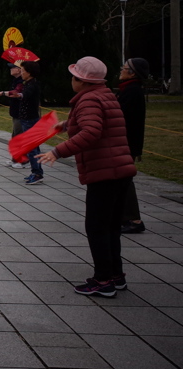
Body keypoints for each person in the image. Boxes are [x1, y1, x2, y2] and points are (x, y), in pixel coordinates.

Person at [38, 57, 136, 297]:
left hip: (105, 172)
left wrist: (57, 151)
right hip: (120, 169)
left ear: (80, 81)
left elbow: (91, 131)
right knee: (111, 226)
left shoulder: (89, 99)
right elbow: (97, 123)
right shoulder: (105, 95)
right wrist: (66, 125)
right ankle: (116, 275)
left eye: (73, 77)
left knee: (97, 227)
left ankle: (103, 281)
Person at [118, 58, 149, 234]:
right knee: (121, 180)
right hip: (127, 143)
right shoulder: (128, 89)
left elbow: (124, 117)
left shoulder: (132, 91)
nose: (121, 70)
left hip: (127, 143)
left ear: (132, 73)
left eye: (124, 68)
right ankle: (124, 217)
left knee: (124, 180)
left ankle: (134, 219)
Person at [14, 61, 43, 184]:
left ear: (29, 72)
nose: (21, 73)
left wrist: (18, 95)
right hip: (26, 119)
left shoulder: (33, 85)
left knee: (31, 148)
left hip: (30, 120)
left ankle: (37, 174)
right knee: (33, 147)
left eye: (23, 71)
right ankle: (36, 171)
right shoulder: (27, 83)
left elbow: (25, 95)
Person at [0, 63, 25, 167]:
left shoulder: (22, 82)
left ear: (19, 70)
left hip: (21, 112)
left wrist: (2, 93)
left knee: (19, 136)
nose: (10, 69)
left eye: (12, 68)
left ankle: (23, 161)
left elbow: (16, 93)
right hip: (15, 112)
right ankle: (15, 159)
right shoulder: (15, 80)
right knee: (15, 136)